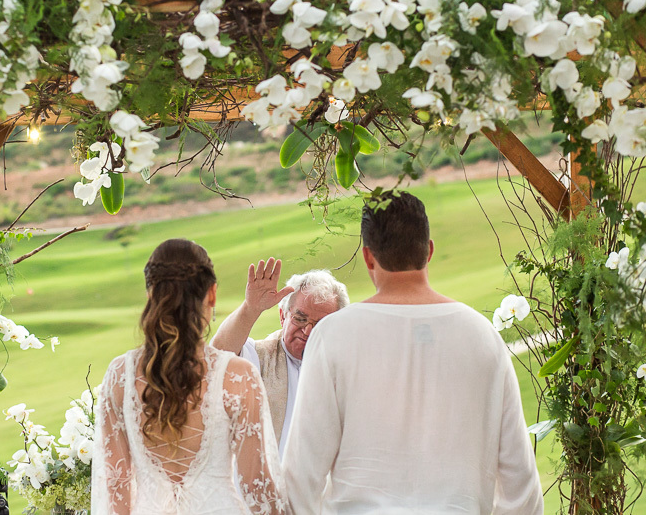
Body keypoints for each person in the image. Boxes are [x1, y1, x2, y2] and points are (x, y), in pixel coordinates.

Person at [282, 191, 543, 514]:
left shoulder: (333, 335)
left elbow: (300, 475)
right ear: (428, 250)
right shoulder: (482, 335)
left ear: (368, 257)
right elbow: (521, 483)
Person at [92, 239, 286, 515]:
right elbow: (258, 488)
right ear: (212, 295)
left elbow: (116, 493)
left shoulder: (119, 376)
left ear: (150, 296)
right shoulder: (238, 377)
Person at [211, 259, 348, 456]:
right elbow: (218, 355)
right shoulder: (258, 357)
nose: (308, 331)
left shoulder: (345, 368)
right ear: (283, 316)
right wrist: (250, 308)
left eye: (320, 325)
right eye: (300, 319)